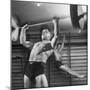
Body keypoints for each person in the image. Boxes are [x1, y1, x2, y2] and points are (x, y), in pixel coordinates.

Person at [20, 18, 58, 88]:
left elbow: (56, 36)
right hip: (29, 67)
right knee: (25, 86)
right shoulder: (35, 44)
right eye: (43, 32)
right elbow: (22, 42)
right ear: (41, 35)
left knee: (39, 86)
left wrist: (55, 23)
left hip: (39, 67)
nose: (44, 33)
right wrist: (23, 30)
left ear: (50, 35)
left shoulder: (50, 45)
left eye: (46, 32)